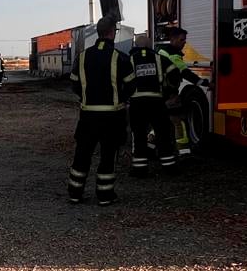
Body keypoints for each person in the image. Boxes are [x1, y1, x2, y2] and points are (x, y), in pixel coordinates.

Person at [66, 18, 133, 205]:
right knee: (108, 155)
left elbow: (74, 84)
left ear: (98, 32)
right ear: (112, 32)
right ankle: (105, 195)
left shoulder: (82, 56)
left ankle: (75, 193)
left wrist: (85, 98)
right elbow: (131, 86)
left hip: (88, 116)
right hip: (112, 116)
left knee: (82, 154)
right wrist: (122, 99)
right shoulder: (120, 57)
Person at [127, 35, 177, 175]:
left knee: (139, 136)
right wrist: (170, 91)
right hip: (157, 102)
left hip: (137, 104)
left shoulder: (129, 60)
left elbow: (122, 81)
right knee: (163, 134)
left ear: (135, 46)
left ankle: (140, 169)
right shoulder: (159, 58)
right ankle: (169, 167)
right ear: (150, 46)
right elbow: (174, 73)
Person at [158, 24, 201, 157]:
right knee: (178, 122)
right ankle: (184, 152)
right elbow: (184, 72)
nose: (184, 43)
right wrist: (202, 82)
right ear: (173, 39)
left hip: (161, 92)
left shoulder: (162, 51)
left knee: (163, 121)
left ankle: (150, 145)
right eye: (182, 40)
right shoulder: (172, 54)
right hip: (169, 93)